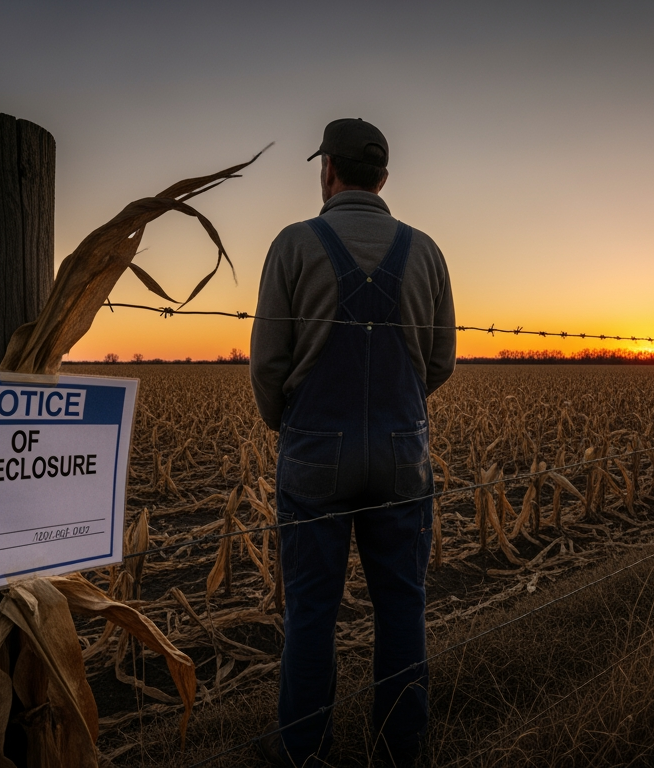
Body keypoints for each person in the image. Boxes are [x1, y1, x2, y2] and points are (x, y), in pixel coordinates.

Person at [249, 118, 456, 766]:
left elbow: (266, 366)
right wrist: (396, 406)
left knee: (312, 614)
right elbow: (442, 359)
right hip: (400, 455)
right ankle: (400, 749)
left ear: (327, 170)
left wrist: (293, 423)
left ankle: (306, 755)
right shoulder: (425, 251)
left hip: (314, 456)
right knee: (402, 606)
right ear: (384, 179)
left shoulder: (292, 245)